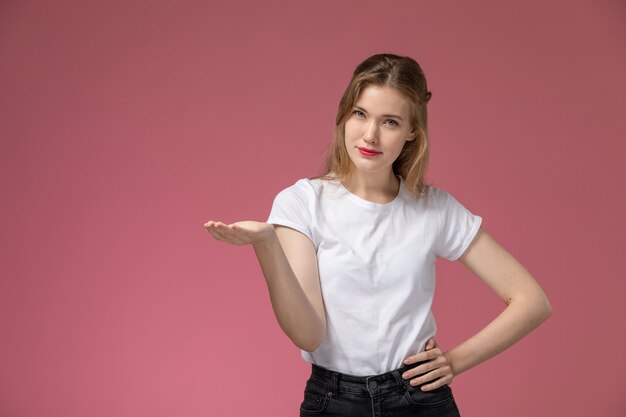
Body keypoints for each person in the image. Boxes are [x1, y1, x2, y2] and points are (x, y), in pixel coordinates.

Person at [203, 53, 552, 417]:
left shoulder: (434, 208)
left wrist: (454, 361)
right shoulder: (303, 202)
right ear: (344, 115)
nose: (370, 135)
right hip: (332, 399)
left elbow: (532, 301)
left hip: (419, 399)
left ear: (412, 131)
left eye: (390, 121)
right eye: (360, 114)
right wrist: (267, 244)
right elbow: (308, 335)